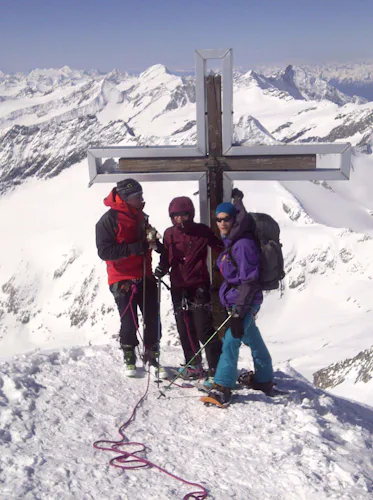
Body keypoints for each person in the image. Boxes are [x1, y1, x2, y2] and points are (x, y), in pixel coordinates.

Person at [206, 194, 274, 405]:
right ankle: (263, 379)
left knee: (231, 340)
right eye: (219, 219)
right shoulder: (233, 241)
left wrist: (238, 312)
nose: (222, 223)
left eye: (227, 218)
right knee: (251, 336)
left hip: (244, 302)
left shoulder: (243, 244)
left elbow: (250, 281)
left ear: (235, 219)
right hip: (239, 301)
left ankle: (223, 387)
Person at [95, 178, 166, 379]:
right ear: (127, 198)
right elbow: (104, 251)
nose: (142, 199)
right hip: (122, 277)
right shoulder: (107, 221)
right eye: (138, 196)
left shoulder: (141, 216)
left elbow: (146, 238)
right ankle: (129, 355)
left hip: (144, 273)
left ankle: (152, 355)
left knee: (152, 317)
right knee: (129, 320)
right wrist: (136, 248)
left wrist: (155, 243)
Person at [155, 196, 223, 383]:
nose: (179, 219)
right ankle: (193, 364)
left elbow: (220, 246)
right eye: (175, 216)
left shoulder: (202, 231)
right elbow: (167, 257)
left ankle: (217, 367)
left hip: (198, 285)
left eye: (183, 215)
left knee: (203, 328)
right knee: (184, 327)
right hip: (178, 286)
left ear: (190, 214)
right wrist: (162, 268)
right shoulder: (169, 234)